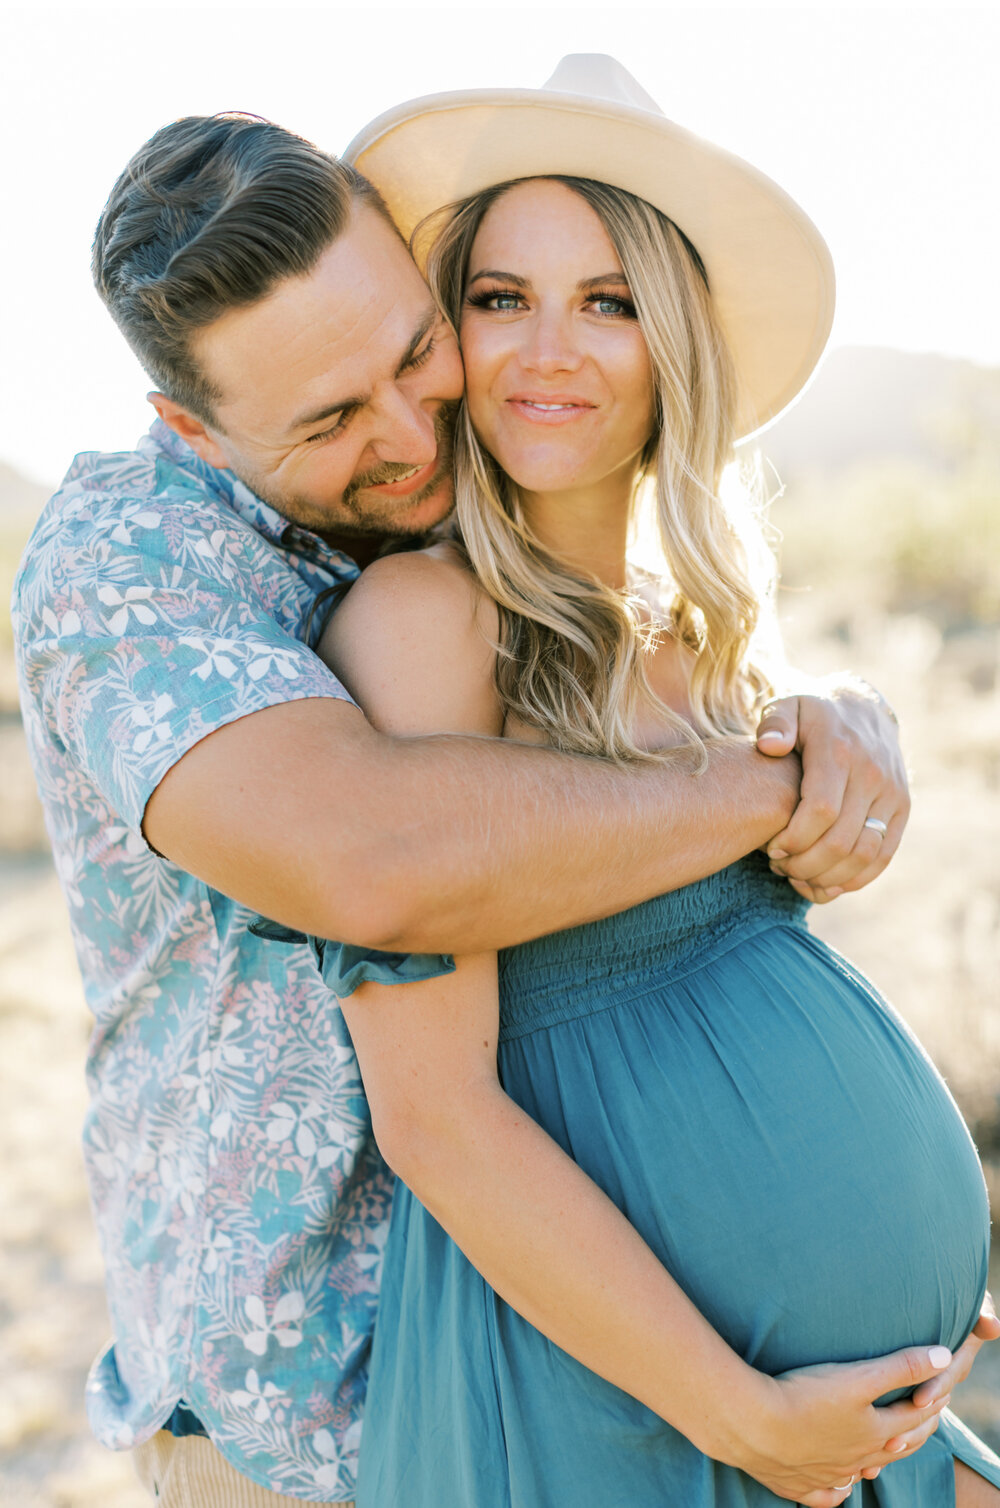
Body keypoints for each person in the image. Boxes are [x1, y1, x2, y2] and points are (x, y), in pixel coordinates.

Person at [9, 93, 993, 1508]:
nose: (416, 428)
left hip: (637, 1358)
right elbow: (386, 866)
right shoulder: (139, 564)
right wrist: (776, 786)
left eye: (417, 353)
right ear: (197, 429)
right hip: (311, 1415)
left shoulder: (591, 600)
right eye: (338, 418)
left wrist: (833, 717)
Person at [297, 56, 1000, 1508]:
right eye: (502, 297)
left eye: (607, 301)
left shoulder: (699, 633)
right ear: (453, 334)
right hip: (615, 1412)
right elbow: (433, 1116)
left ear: (671, 339)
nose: (547, 348)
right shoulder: (426, 628)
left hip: (834, 1415)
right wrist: (742, 1412)